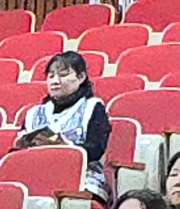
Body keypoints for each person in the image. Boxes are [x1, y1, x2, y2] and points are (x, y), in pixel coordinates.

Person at [15, 51, 114, 197]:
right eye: (51, 76)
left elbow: (96, 149)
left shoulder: (93, 107)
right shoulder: (33, 113)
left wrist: (67, 146)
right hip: (39, 177)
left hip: (83, 177)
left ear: (81, 77)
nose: (55, 81)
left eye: (63, 75)